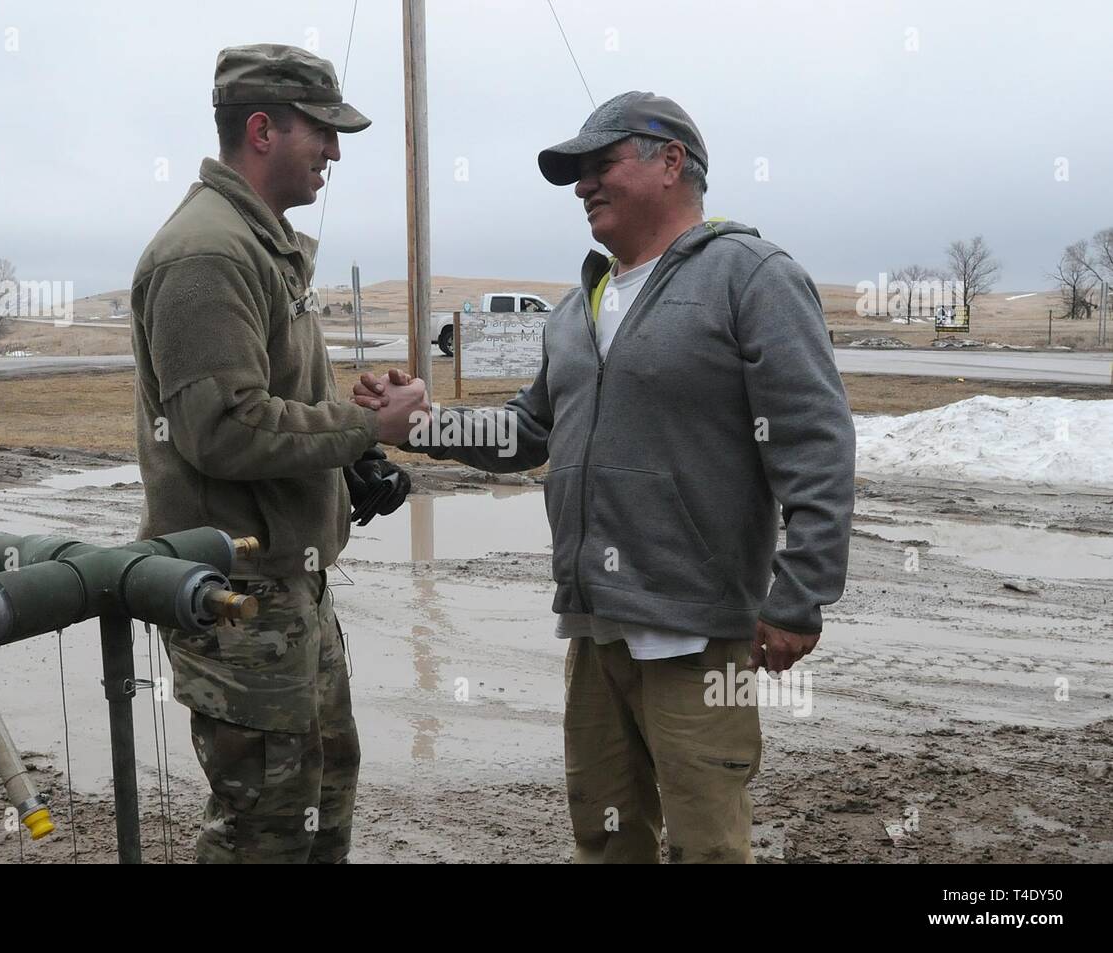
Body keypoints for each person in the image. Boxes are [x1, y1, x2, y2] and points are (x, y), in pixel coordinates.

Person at [356, 91, 855, 863]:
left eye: (601, 164)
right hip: (595, 630)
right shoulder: (578, 305)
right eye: (576, 173)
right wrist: (421, 423)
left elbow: (814, 443)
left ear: (672, 161)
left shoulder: (751, 276)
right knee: (605, 837)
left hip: (699, 633)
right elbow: (529, 430)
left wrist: (801, 593)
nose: (584, 185)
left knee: (708, 847)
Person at [130, 43, 426, 863]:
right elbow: (223, 429)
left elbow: (277, 400)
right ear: (262, 130)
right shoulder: (207, 254)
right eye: (321, 132)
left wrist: (350, 448)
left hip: (286, 585)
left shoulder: (261, 243)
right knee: (263, 820)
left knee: (320, 789)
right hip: (237, 598)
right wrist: (368, 427)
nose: (334, 151)